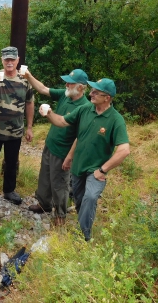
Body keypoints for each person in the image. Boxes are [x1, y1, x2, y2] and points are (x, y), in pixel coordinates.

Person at [41, 78, 130, 241]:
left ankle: (83, 237)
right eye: (92, 90)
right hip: (78, 168)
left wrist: (103, 170)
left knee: (90, 197)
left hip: (96, 170)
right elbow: (62, 123)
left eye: (96, 92)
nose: (91, 93)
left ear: (107, 98)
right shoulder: (86, 109)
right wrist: (49, 113)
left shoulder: (116, 120)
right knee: (81, 202)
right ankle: (83, 227)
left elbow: (124, 150)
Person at [23, 68, 91, 226]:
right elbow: (43, 89)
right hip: (50, 145)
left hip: (63, 151)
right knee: (45, 177)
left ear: (81, 87)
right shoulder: (65, 95)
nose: (66, 84)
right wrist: (28, 76)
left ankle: (60, 215)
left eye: (70, 82)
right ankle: (43, 204)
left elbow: (80, 136)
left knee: (60, 184)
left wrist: (70, 157)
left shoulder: (85, 107)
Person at [0, 46, 34, 205]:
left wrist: (29, 127)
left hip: (15, 131)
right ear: (2, 60)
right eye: (6, 59)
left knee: (11, 163)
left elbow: (30, 103)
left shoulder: (25, 79)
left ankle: (9, 191)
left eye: (12, 59)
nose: (9, 62)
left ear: (17, 60)